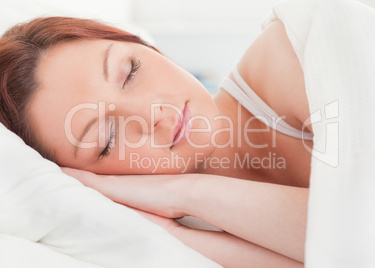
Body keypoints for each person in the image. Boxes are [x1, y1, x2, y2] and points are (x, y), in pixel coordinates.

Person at [0, 15, 311, 267]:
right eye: (107, 139)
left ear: (142, 45)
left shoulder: (297, 51)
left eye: (130, 73)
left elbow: (358, 239)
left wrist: (185, 192)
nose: (152, 114)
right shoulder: (188, 230)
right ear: (91, 179)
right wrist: (179, 213)